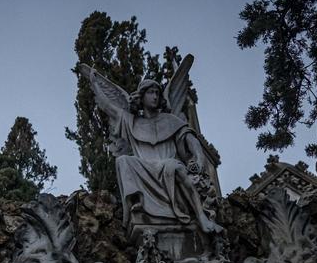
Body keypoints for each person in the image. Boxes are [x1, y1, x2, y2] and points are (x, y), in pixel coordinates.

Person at [82, 58, 222, 238]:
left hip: (167, 165)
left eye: (157, 93)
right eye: (151, 93)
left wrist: (198, 159)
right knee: (123, 161)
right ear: (142, 96)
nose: (155, 96)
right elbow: (110, 107)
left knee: (174, 167)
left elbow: (191, 140)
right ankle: (139, 201)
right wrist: (95, 84)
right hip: (145, 166)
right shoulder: (131, 121)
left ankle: (201, 216)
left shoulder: (170, 120)